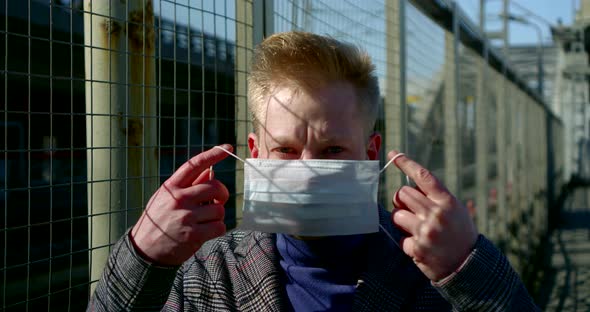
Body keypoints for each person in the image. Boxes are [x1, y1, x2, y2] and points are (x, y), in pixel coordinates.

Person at [88, 31, 539, 311]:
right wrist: (144, 257)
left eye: (332, 148)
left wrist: (470, 267)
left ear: (370, 152)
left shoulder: (435, 272)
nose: (307, 172)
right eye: (284, 149)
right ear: (255, 151)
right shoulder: (208, 272)